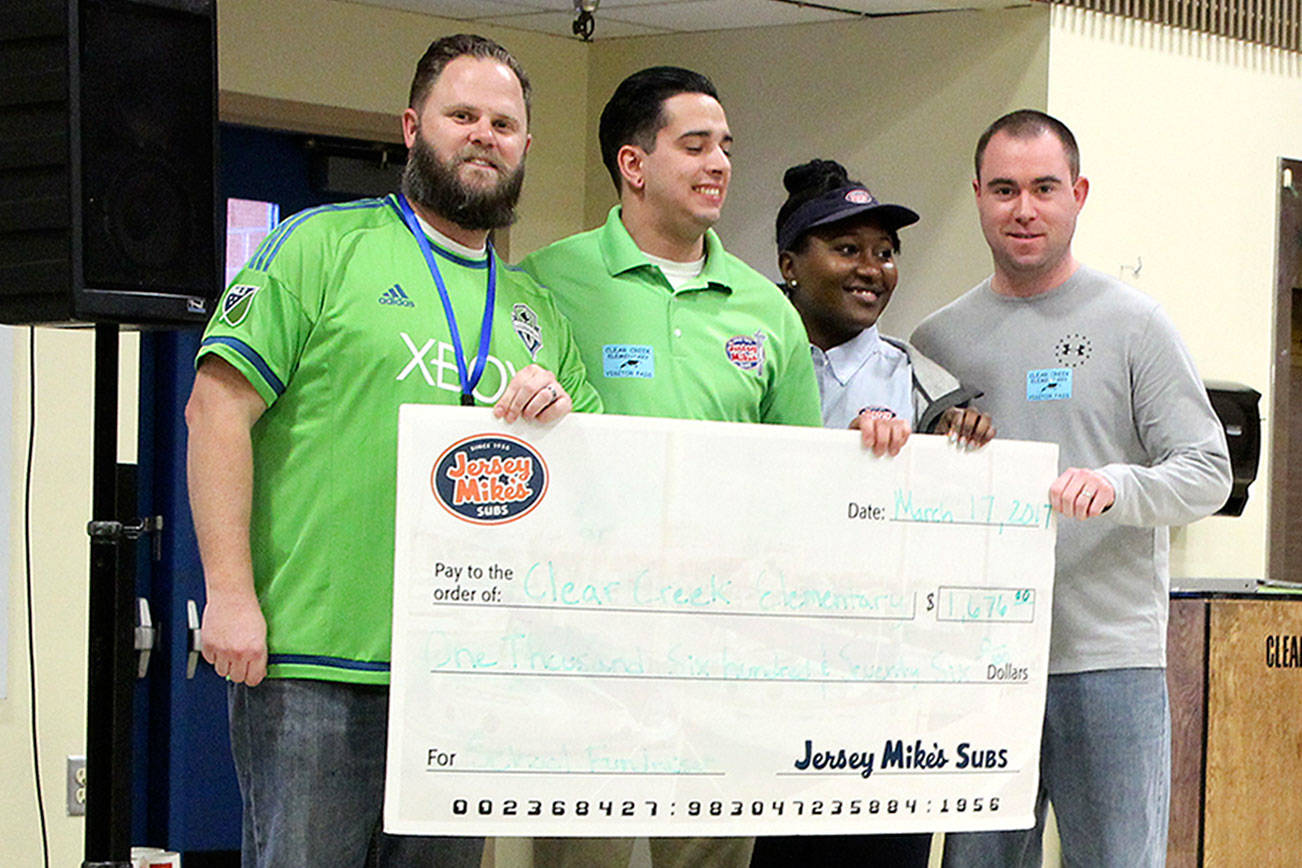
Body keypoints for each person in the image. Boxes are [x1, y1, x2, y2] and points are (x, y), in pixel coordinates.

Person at [185, 33, 600, 868]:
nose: (484, 135)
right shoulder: (317, 247)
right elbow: (215, 411)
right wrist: (228, 595)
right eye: (463, 115)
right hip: (311, 666)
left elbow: (592, 471)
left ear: (526, 148)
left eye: (504, 124)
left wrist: (562, 418)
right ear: (413, 127)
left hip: (459, 673)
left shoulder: (536, 312)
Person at [909, 110, 1231, 867]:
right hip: (980, 662)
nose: (1025, 210)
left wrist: (1118, 486)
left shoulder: (1135, 325)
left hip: (1107, 661)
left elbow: (1206, 469)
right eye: (1005, 190)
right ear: (979, 196)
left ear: (1078, 194)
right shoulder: (936, 340)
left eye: (1045, 188)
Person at [520, 66, 821, 868]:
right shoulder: (546, 281)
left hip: (723, 651)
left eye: (724, 145)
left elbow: (802, 488)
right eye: (694, 145)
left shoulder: (766, 311)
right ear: (634, 163)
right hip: (588, 644)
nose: (719, 162)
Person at [748, 158, 994, 868]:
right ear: (790, 263)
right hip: (766, 680)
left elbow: (955, 534)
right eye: (847, 248)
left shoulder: (927, 385)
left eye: (885, 253)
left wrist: (961, 451)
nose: (872, 269)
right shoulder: (748, 358)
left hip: (885, 701)